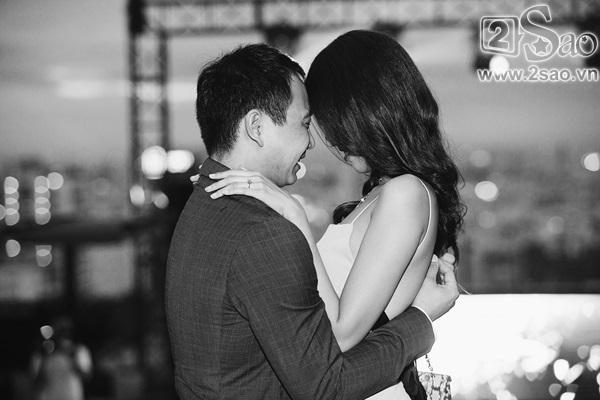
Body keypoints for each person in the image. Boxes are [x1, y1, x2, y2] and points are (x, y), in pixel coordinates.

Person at [165, 43, 459, 400]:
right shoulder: (264, 228)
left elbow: (339, 334)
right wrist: (421, 318)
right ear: (256, 127)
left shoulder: (405, 193)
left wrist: (295, 217)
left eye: (323, 123)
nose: (320, 141)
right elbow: (327, 361)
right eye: (308, 123)